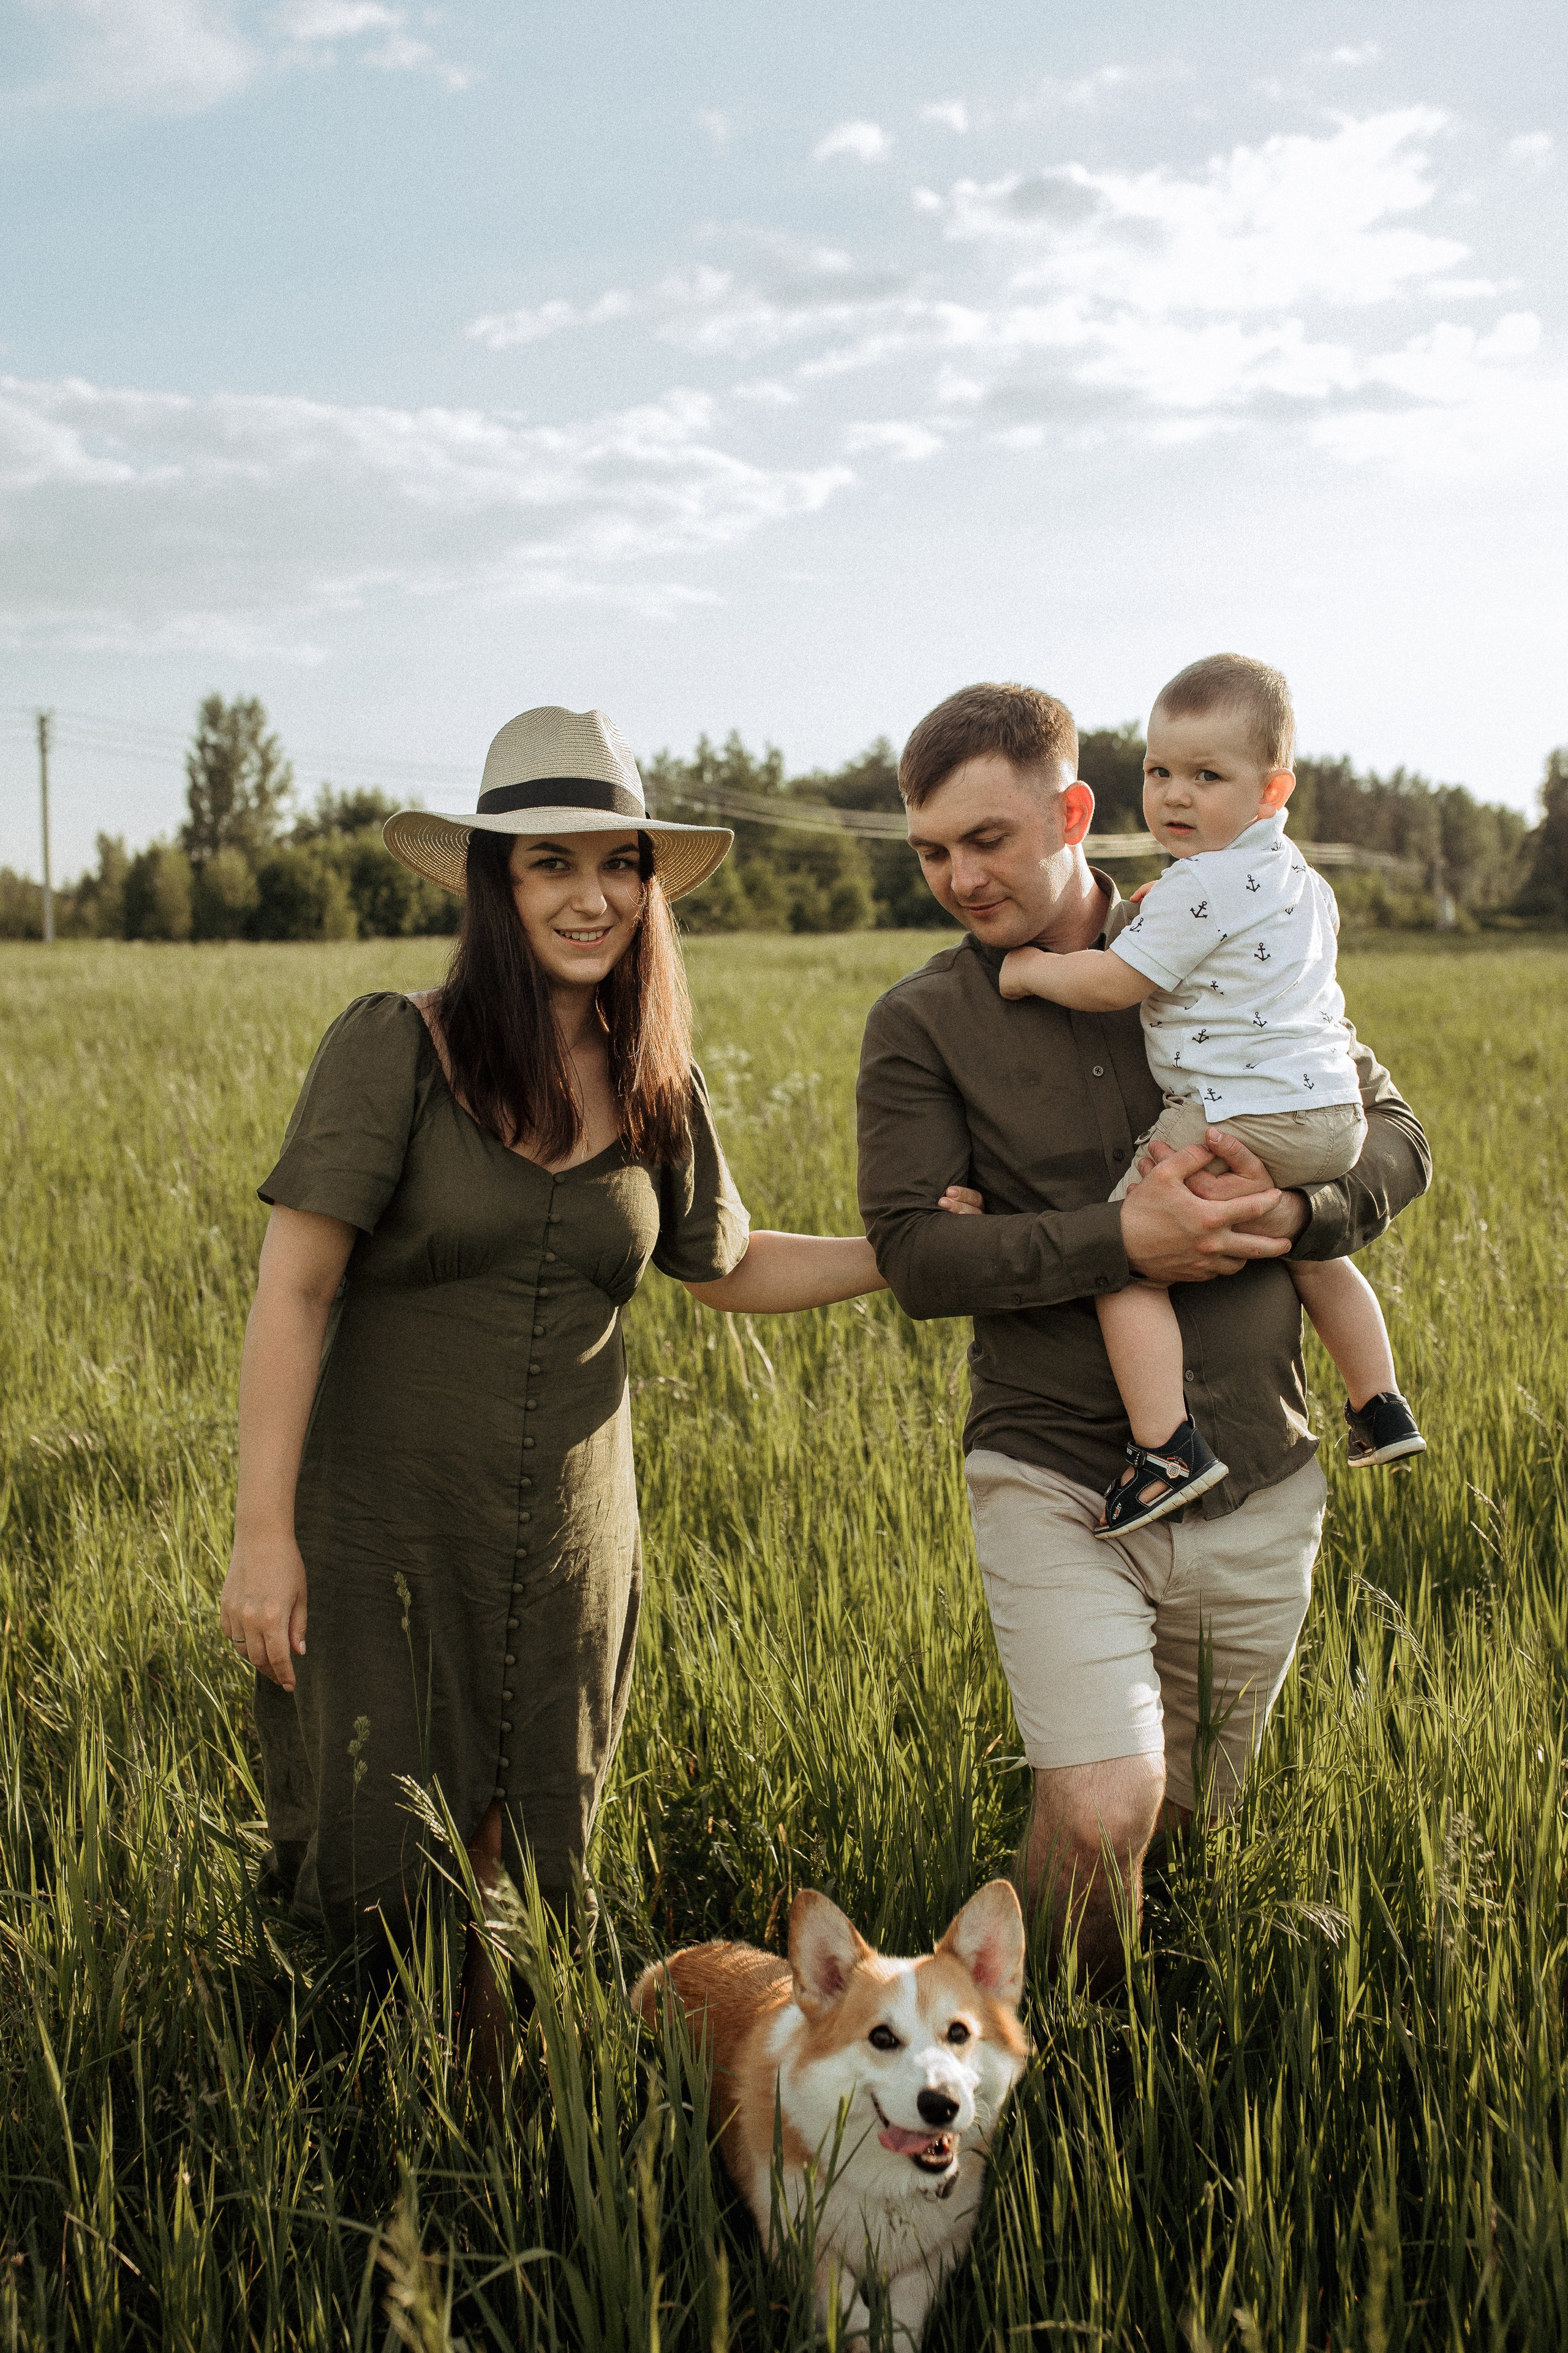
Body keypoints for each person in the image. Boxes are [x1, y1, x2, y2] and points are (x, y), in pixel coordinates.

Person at [221, 705, 886, 2041]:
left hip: (576, 1540)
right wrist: (260, 1534)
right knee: (375, 1853)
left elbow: (725, 1264)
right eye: (552, 864)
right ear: (495, 882)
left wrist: (906, 1255)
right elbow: (294, 1289)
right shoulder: (395, 1046)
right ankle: (353, 2104)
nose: (594, 898)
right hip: (386, 1534)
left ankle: (507, 2105)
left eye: (619, 864)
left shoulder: (655, 1081)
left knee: (529, 1872)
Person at [855, 682, 1430, 1982]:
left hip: (1259, 1477)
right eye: (932, 851)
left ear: (1072, 812)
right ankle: (1028, 2061)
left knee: (1179, 1822)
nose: (959, 878)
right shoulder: (925, 1022)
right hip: (1056, 1473)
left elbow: (1393, 1135)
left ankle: (1114, 2035)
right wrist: (1125, 1239)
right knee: (1104, 1802)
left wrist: (1299, 1210)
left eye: (987, 839)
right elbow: (915, 1255)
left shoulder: (1230, 914)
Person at [994, 654, 1425, 1541]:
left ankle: (1165, 1450)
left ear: (1273, 790)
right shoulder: (1300, 879)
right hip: (1332, 1118)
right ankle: (1379, 1403)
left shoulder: (1199, 885)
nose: (1175, 796)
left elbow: (1116, 980)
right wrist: (1167, 903)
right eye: (1158, 771)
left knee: (1123, 1258)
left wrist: (1033, 970)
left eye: (1206, 776)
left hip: (1237, 1113)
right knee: (1313, 1256)